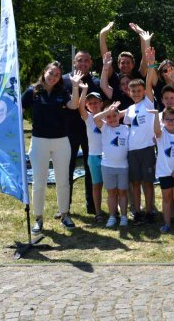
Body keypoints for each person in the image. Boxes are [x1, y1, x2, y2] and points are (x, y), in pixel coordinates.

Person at [22, 62, 82, 234]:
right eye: (51, 73)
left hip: (61, 141)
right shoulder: (32, 91)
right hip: (39, 141)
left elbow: (74, 105)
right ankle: (38, 218)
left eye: (57, 75)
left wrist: (76, 86)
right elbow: (19, 108)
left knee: (63, 181)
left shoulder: (62, 92)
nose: (53, 77)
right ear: (44, 72)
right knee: (39, 182)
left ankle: (64, 214)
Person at [62, 51, 101, 216]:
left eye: (86, 60)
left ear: (91, 62)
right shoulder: (64, 80)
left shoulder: (96, 82)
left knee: (90, 168)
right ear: (74, 62)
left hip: (90, 133)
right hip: (68, 131)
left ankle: (92, 206)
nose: (83, 64)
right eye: (80, 61)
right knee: (66, 169)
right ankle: (65, 207)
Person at [123, 77, 157, 225]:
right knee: (135, 183)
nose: (136, 93)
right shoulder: (129, 110)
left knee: (148, 183)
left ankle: (149, 211)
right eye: (133, 91)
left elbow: (149, 83)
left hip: (147, 149)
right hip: (132, 151)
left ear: (144, 92)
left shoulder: (148, 103)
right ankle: (137, 211)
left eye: (139, 91)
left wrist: (150, 64)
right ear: (129, 92)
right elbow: (128, 127)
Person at [93, 101, 130, 228]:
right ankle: (112, 216)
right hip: (107, 166)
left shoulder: (126, 129)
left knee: (123, 193)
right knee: (112, 193)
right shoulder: (104, 128)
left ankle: (124, 216)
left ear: (119, 116)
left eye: (114, 115)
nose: (112, 119)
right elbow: (95, 118)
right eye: (109, 116)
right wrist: (108, 111)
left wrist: (114, 111)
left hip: (123, 166)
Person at [78, 87, 106, 222]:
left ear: (101, 103)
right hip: (93, 157)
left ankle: (115, 211)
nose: (94, 105)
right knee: (96, 185)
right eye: (90, 103)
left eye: (96, 102)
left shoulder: (108, 115)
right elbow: (80, 108)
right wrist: (83, 91)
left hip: (108, 157)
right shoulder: (88, 118)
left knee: (113, 186)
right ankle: (98, 211)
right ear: (87, 106)